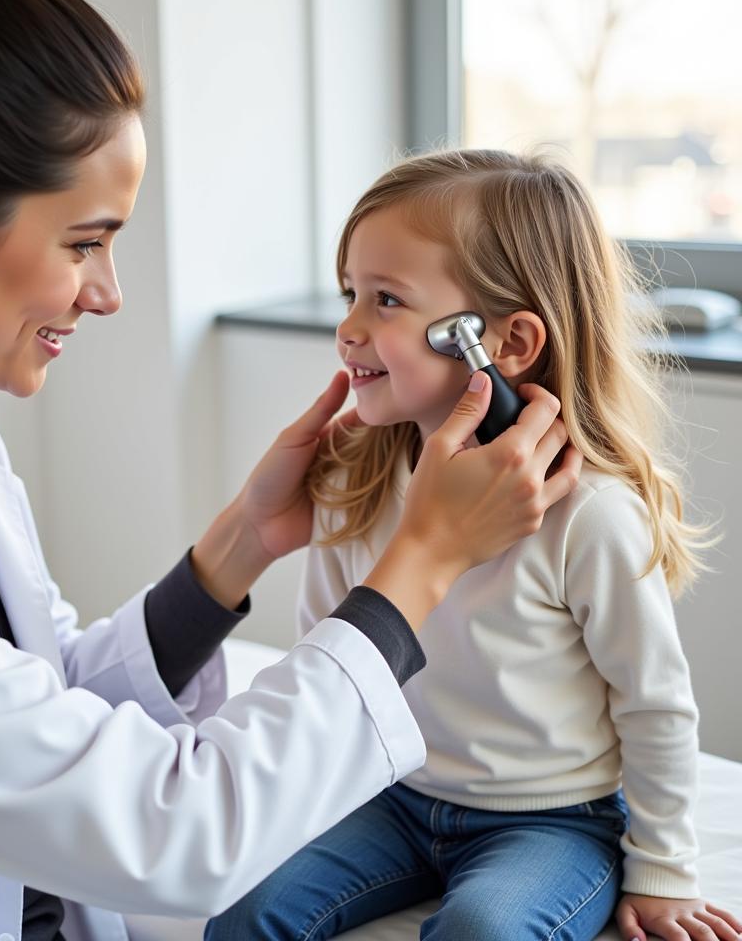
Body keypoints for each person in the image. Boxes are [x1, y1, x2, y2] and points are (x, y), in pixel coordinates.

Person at [0, 0, 581, 940]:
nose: (109, 293)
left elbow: (38, 714)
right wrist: (421, 561)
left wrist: (240, 545)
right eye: (84, 242)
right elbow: (164, 828)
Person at [205, 150, 742, 941]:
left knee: (480, 932)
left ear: (507, 343)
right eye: (352, 291)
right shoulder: (356, 486)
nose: (349, 326)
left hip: (553, 821)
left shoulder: (588, 515)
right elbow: (329, 667)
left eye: (386, 299)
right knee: (243, 910)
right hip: (391, 797)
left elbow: (654, 703)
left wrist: (663, 871)